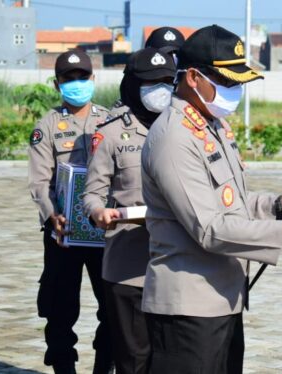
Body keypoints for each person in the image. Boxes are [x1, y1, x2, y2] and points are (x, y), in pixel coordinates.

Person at [139, 25, 282, 374]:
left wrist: (281, 204)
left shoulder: (210, 125)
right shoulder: (174, 138)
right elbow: (209, 228)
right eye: (228, 82)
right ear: (194, 77)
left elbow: (231, 203)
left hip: (222, 298)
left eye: (239, 82)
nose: (235, 90)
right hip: (188, 307)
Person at [82, 47, 176, 374]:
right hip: (129, 266)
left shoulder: (184, 129)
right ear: (132, 85)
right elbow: (92, 193)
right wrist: (98, 213)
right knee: (133, 361)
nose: (161, 88)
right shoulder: (110, 134)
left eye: (167, 80)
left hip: (176, 265)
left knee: (169, 360)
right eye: (152, 82)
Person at [27, 50, 113, 374]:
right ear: (56, 83)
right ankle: (64, 369)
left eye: (82, 77)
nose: (77, 83)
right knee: (60, 311)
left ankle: (105, 367)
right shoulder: (46, 126)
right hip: (62, 233)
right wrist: (52, 216)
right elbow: (39, 181)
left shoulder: (110, 121)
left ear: (93, 79)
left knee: (113, 308)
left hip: (103, 232)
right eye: (69, 79)